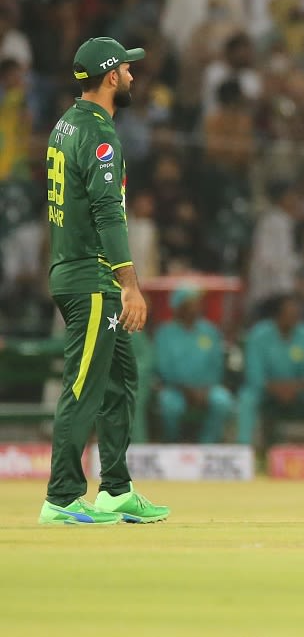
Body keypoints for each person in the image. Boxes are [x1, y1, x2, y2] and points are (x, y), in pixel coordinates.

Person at [39, 36, 168, 525]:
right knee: (83, 386)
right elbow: (108, 212)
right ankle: (62, 496)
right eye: (128, 70)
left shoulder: (64, 125)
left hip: (75, 271)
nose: (134, 77)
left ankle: (115, 489)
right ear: (111, 76)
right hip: (92, 279)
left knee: (118, 382)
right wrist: (129, 285)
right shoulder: (99, 133)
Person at [237, 293, 304, 445]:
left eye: (296, 314)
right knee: (247, 397)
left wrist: (294, 388)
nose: (293, 318)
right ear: (276, 315)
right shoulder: (258, 335)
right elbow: (254, 373)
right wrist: (276, 388)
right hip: (266, 389)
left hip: (300, 390)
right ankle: (243, 447)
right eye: (288, 314)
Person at [153, 286, 232, 443]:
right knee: (170, 406)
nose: (196, 308)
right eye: (191, 304)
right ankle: (173, 443)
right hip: (175, 389)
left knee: (222, 401)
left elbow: (217, 364)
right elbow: (163, 367)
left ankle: (207, 445)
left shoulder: (210, 331)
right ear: (178, 307)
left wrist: (205, 388)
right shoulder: (165, 333)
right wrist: (185, 389)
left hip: (206, 389)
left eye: (198, 303)